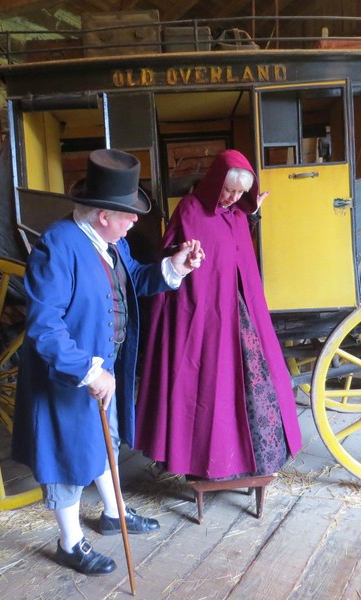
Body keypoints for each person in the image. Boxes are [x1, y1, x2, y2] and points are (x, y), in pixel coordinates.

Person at [12, 149, 204, 576]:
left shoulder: (109, 244)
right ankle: (70, 543)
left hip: (104, 370)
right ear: (103, 215)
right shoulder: (58, 246)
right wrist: (87, 371)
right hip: (67, 377)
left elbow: (133, 279)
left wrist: (174, 266)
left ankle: (114, 513)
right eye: (128, 215)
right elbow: (44, 325)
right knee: (66, 457)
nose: (135, 221)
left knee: (105, 441)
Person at [135, 149, 302, 483]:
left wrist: (250, 211)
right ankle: (204, 462)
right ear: (214, 183)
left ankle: (251, 461)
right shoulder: (190, 209)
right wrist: (182, 253)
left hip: (240, 309)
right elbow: (169, 250)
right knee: (208, 386)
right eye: (229, 191)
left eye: (240, 192)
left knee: (254, 380)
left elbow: (236, 252)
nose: (233, 197)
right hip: (203, 310)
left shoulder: (238, 213)